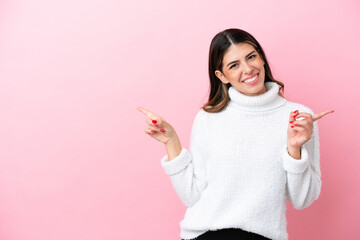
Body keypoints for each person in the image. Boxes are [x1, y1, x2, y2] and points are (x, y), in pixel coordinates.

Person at [137, 28, 334, 240]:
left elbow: (302, 199)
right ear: (222, 76)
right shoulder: (208, 118)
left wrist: (294, 150)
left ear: (261, 58)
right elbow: (192, 195)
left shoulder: (297, 117)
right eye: (234, 65)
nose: (248, 69)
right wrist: (172, 142)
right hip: (203, 234)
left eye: (251, 57)